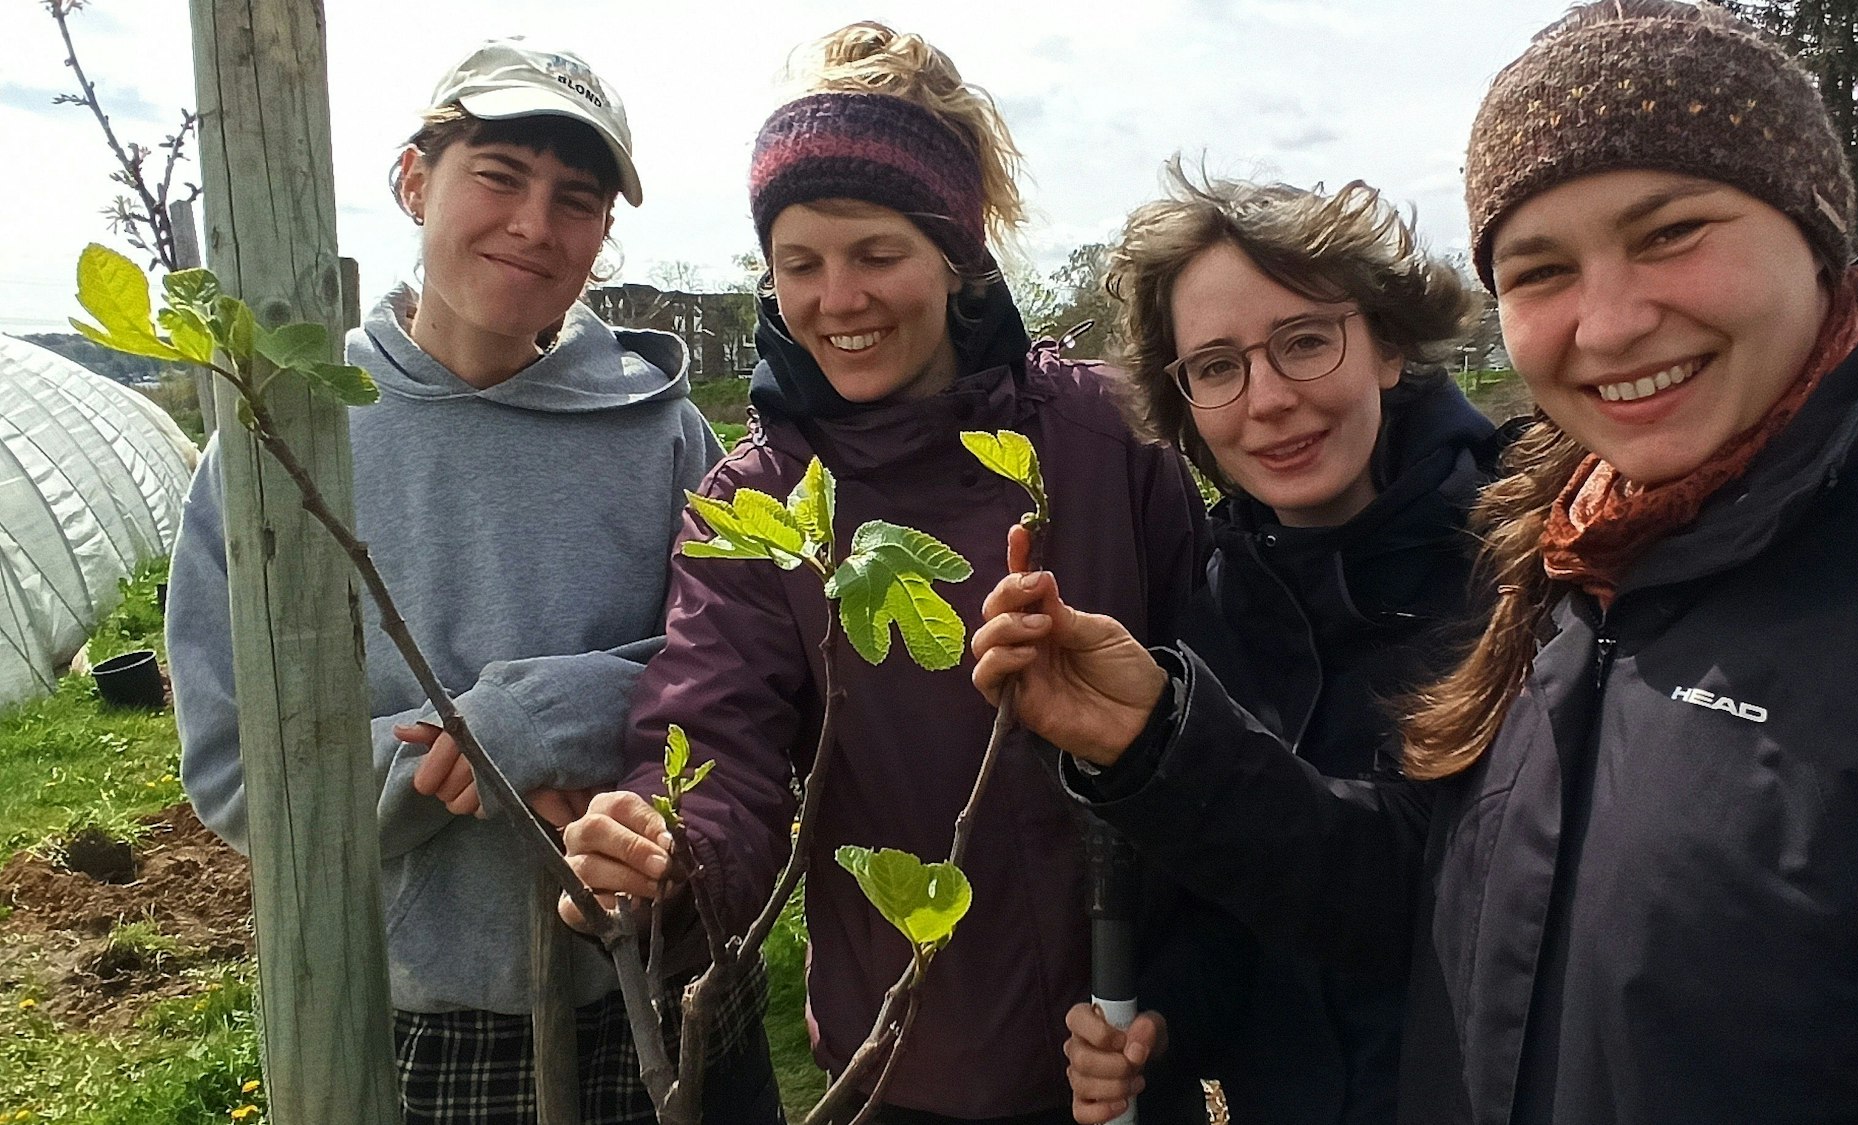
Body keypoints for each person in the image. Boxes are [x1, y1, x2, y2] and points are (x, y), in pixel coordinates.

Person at [974, 3, 1858, 1122]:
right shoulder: (1580, 570)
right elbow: (1425, 898)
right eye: (1541, 268)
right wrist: (1154, 752)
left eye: (1669, 233)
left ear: (1386, 339)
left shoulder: (1516, 564)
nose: (1605, 325)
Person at [557, 22, 1204, 1124]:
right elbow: (717, 737)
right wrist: (669, 856)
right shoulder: (757, 509)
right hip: (905, 1057)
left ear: (952, 261)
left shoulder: (1106, 442)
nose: (836, 300)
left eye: (875, 255)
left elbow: (1220, 695)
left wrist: (1191, 992)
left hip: (1123, 1029)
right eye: (797, 265)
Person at [168, 38, 775, 1124]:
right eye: (497, 176)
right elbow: (235, 768)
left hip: (677, 981)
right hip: (436, 1022)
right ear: (413, 180)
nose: (533, 225)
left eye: (575, 200)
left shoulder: (665, 437)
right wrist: (457, 766)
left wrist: (545, 716)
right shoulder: (287, 439)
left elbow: (736, 678)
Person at [1053, 166, 1494, 1125]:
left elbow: (1443, 905)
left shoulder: (1517, 576)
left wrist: (1169, 748)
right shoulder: (1216, 602)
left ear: (1385, 343)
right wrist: (1159, 1024)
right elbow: (1239, 925)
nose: (1268, 399)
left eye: (1303, 341)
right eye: (1216, 366)